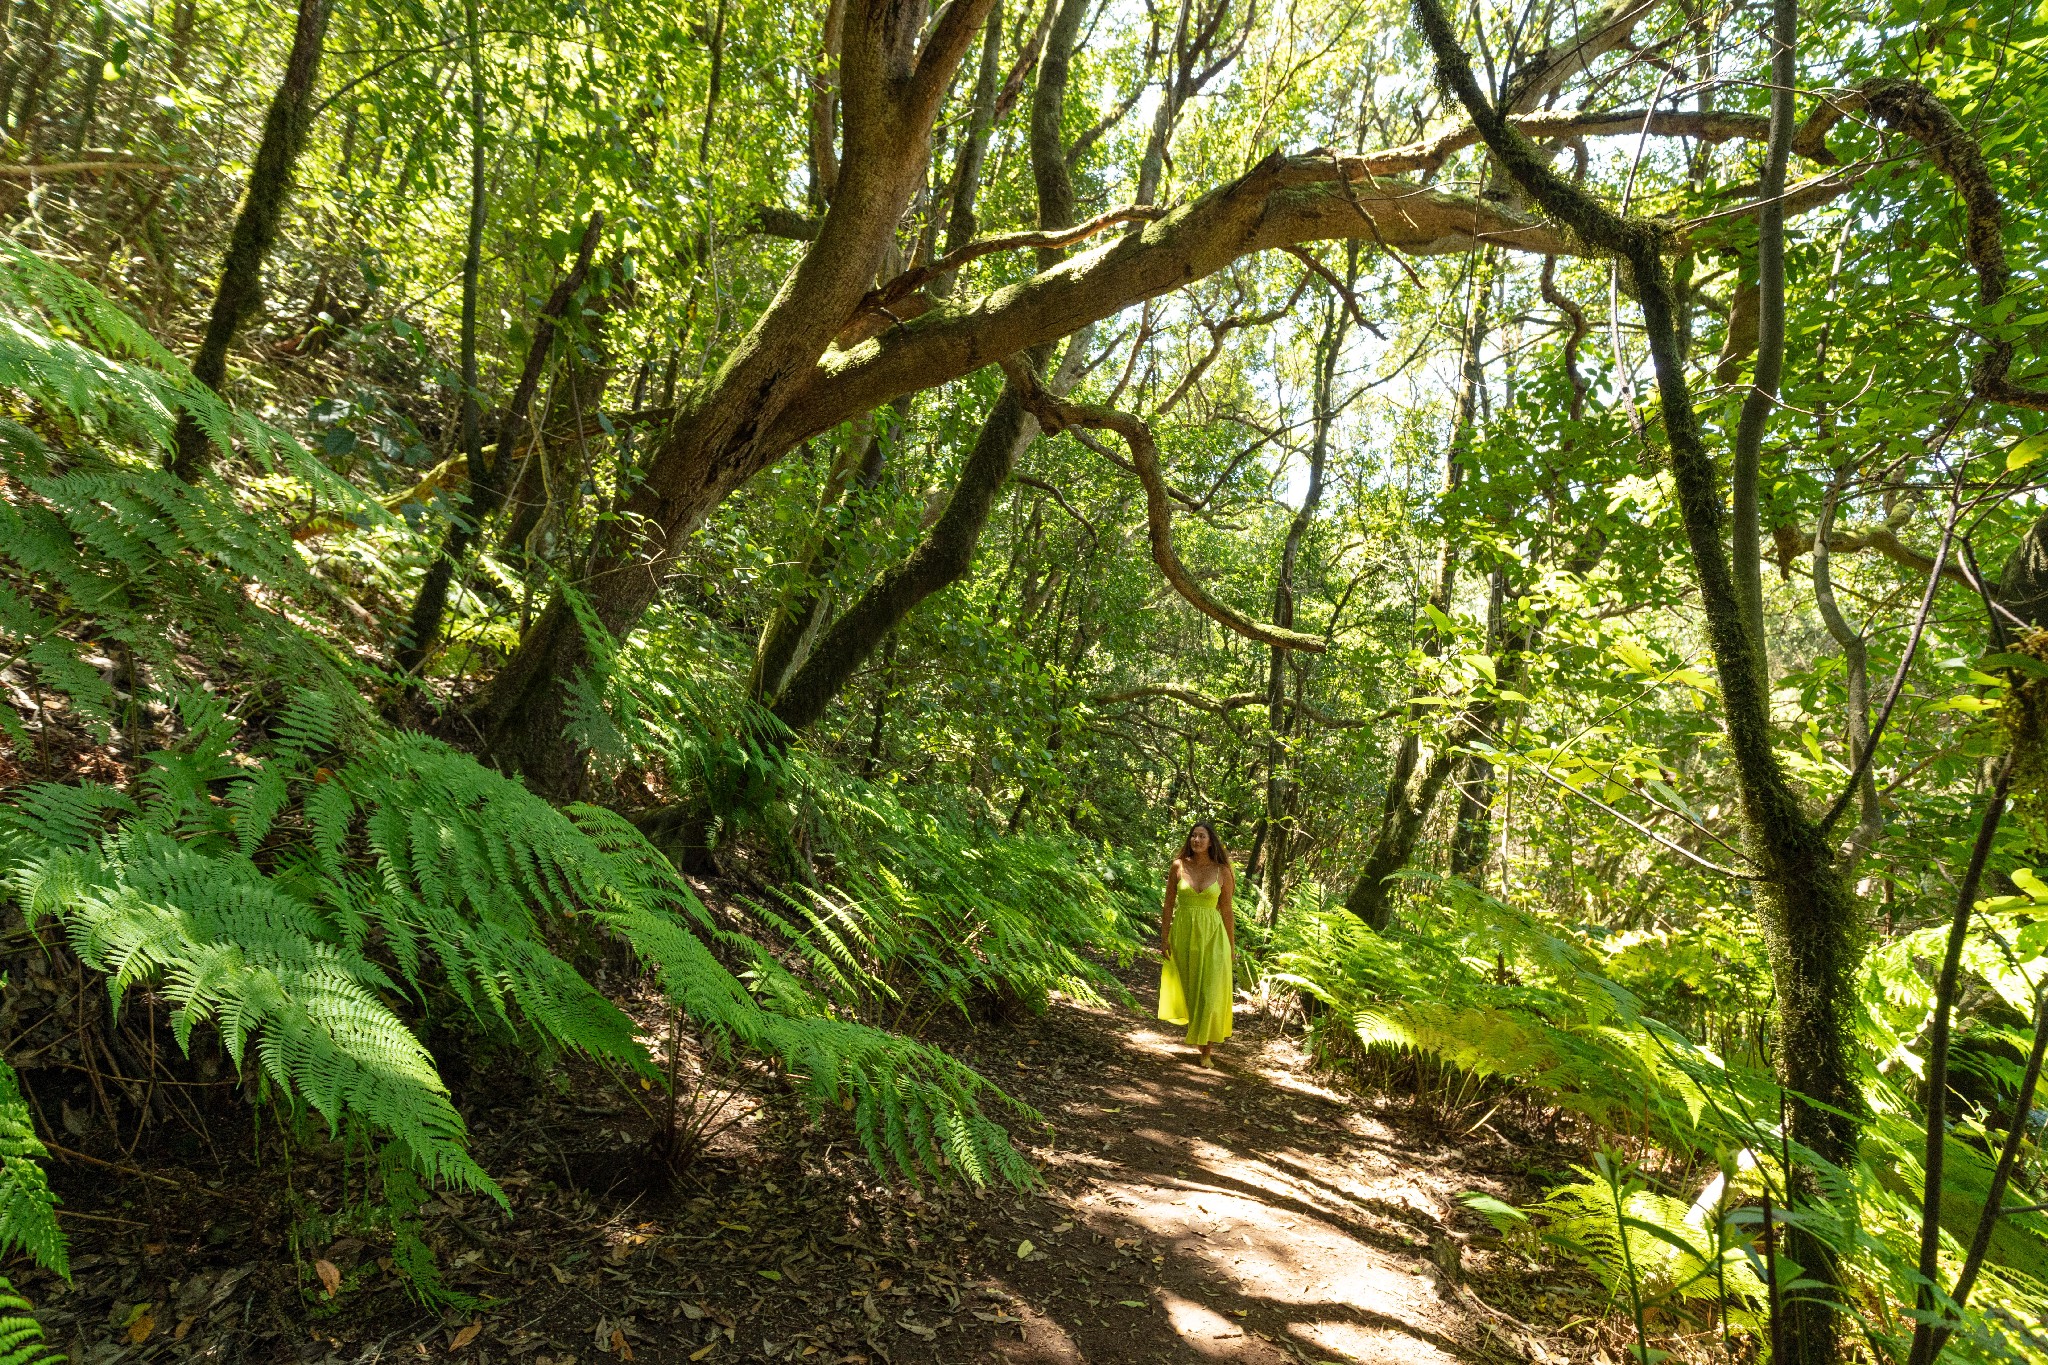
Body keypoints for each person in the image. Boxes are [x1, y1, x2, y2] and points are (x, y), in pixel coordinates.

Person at [1157, 820, 1236, 1066]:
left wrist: (1231, 945)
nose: (1197, 840)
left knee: (1210, 991)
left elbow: (1227, 910)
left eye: (1202, 836)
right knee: (1191, 988)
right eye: (1193, 836)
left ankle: (1206, 1051)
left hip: (1214, 936)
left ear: (1211, 841)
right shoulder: (1178, 866)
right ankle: (1198, 1036)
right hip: (1184, 932)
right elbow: (1169, 903)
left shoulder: (1223, 871)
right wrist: (1164, 937)